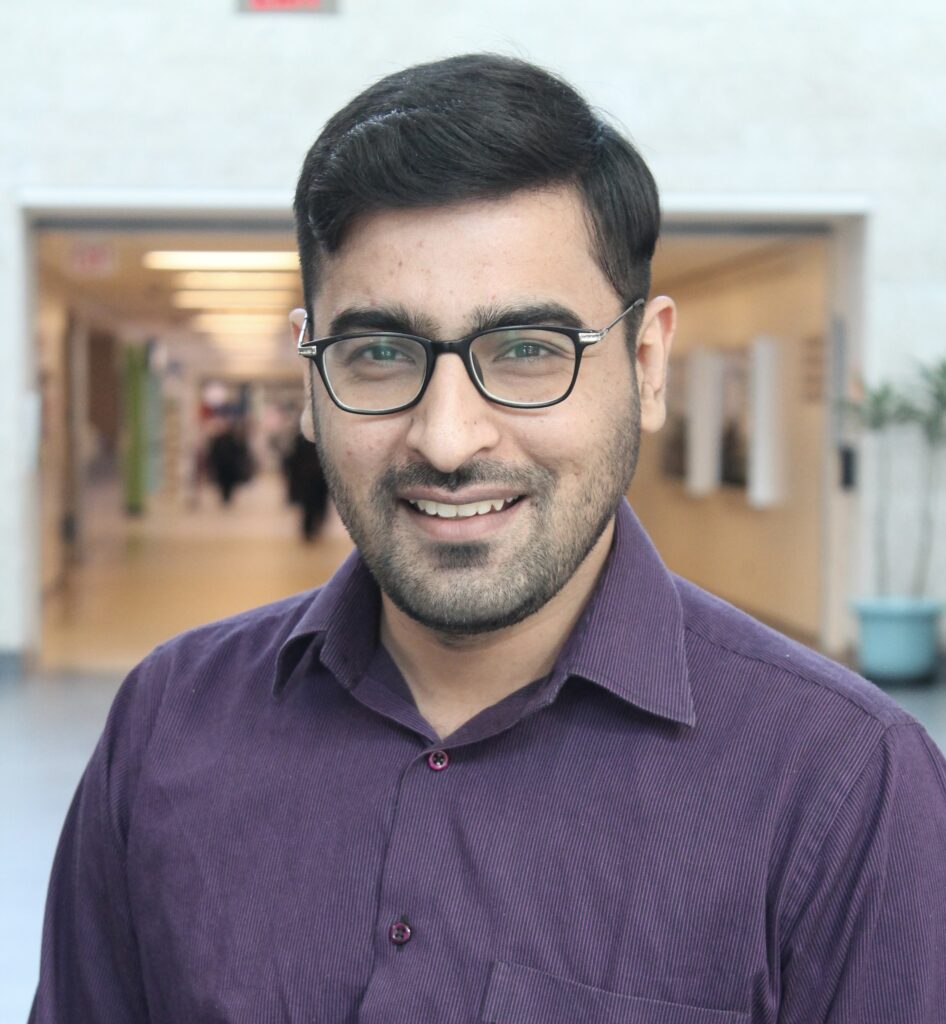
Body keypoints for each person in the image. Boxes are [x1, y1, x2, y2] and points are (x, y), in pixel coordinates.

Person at [32, 54, 946, 1022]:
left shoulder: (846, 792)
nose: (447, 437)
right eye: (379, 354)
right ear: (309, 376)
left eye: (525, 351)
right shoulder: (168, 725)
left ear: (644, 365)